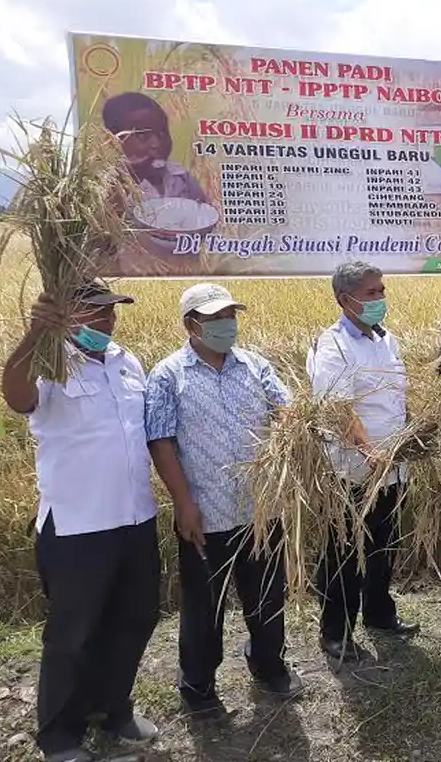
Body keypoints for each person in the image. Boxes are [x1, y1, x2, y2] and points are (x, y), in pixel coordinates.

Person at [0, 279, 160, 762]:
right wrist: (34, 334)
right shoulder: (50, 364)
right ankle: (59, 735)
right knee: (73, 633)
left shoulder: (126, 362)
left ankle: (113, 709)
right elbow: (15, 395)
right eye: (95, 313)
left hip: (134, 518)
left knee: (134, 619)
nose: (107, 321)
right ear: (66, 317)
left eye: (111, 312)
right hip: (77, 527)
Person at [145, 283, 303, 715]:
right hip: (205, 511)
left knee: (268, 595)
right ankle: (198, 686)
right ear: (190, 325)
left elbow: (284, 410)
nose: (225, 325)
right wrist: (183, 502)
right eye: (215, 319)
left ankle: (269, 665)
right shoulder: (168, 376)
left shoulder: (254, 366)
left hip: (260, 507)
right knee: (204, 606)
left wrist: (293, 430)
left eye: (230, 316)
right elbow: (160, 441)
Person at [308, 262, 420, 661]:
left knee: (382, 544)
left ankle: (379, 614)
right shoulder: (333, 345)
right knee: (343, 552)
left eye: (382, 290)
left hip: (393, 467)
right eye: (371, 293)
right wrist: (370, 452)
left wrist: (411, 438)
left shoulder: (386, 340)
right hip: (353, 470)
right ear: (345, 299)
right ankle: (335, 631)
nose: (380, 299)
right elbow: (336, 409)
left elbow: (395, 397)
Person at [102, 91, 210, 203]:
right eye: (143, 135)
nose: (157, 144)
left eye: (162, 133)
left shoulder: (181, 177)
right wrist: (129, 179)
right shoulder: (105, 184)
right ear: (112, 141)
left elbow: (206, 213)